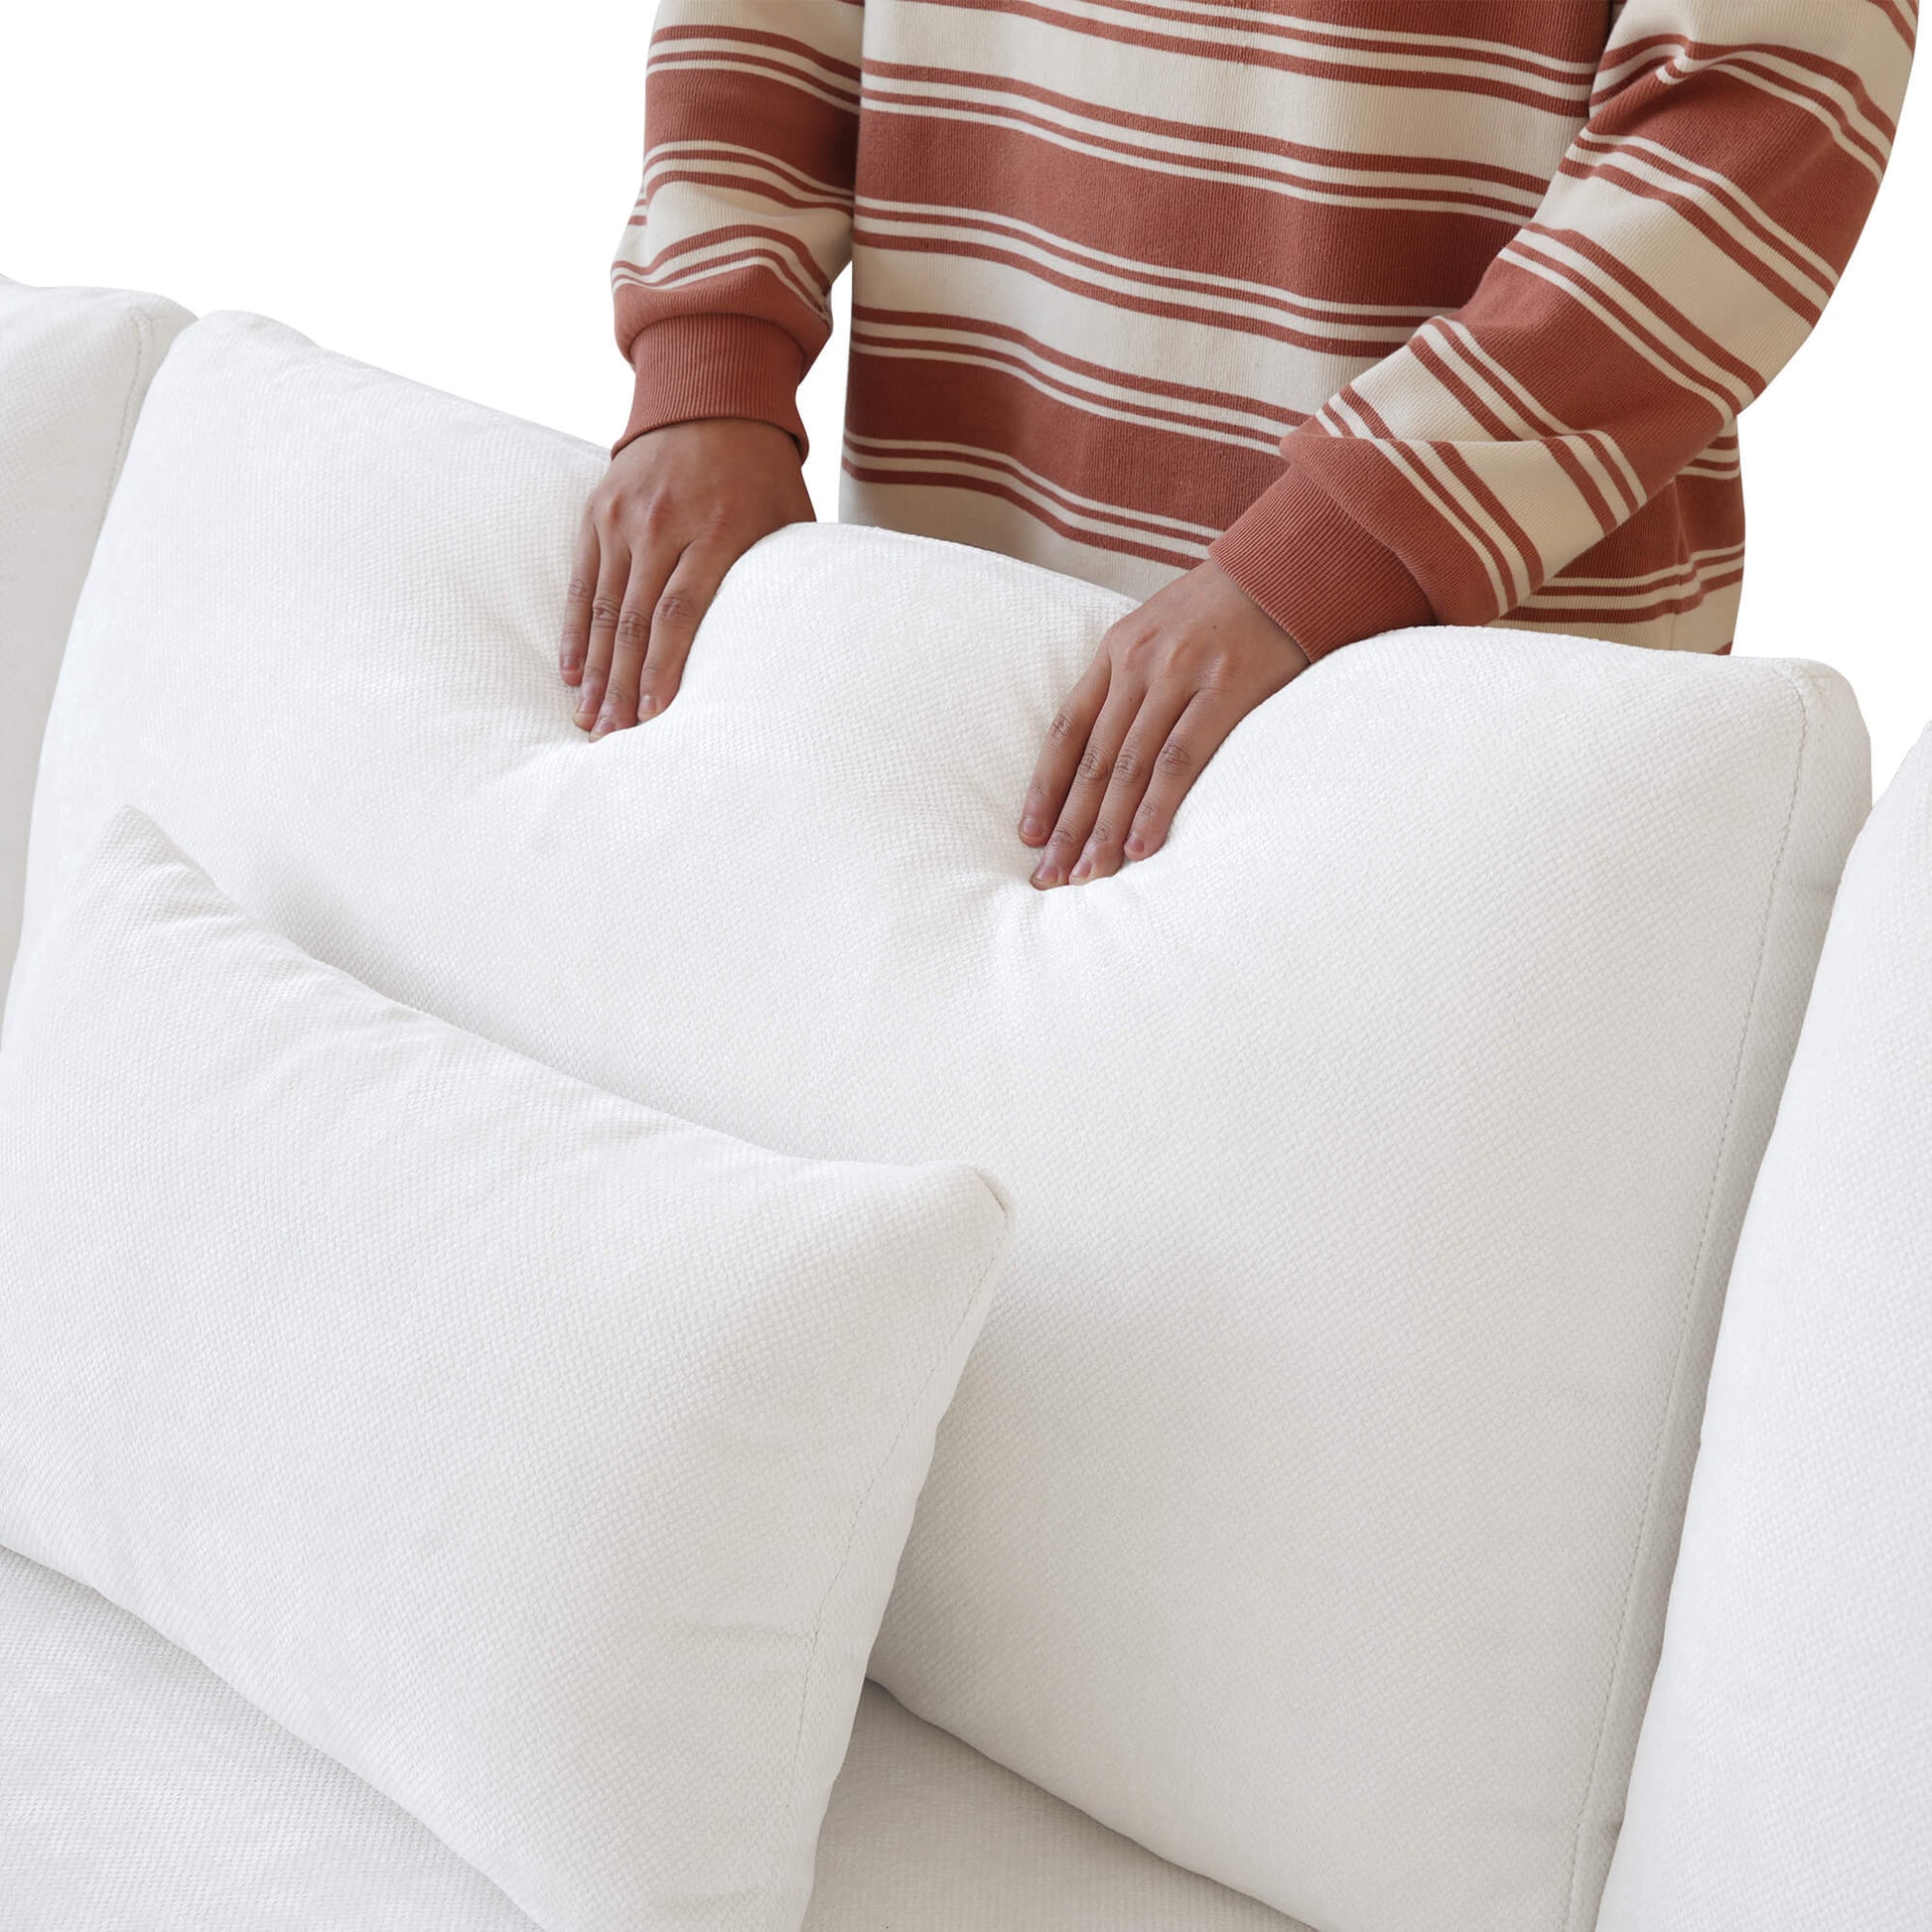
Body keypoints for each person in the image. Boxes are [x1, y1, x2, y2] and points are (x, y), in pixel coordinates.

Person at [561, 0, 1913, 889]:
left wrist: (1329, 551)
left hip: (1457, 706)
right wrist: (711, 363)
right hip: (957, 644)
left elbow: (1758, 106)